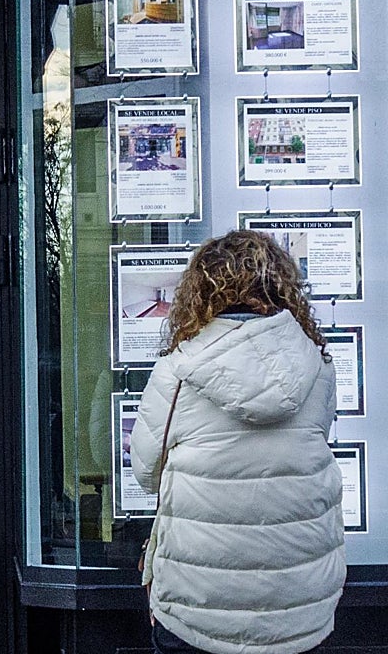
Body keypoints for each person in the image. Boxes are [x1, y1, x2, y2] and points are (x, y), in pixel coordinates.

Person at [130, 230, 345, 654]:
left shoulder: (178, 371)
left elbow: (147, 475)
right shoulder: (318, 365)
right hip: (300, 603)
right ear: (281, 287)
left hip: (198, 604)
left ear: (198, 293)